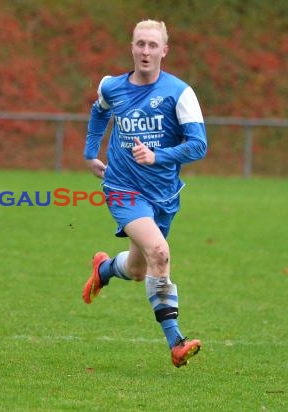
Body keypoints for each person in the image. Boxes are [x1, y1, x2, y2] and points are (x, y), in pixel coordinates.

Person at [82, 20, 207, 368]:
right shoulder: (112, 86)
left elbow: (199, 145)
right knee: (159, 253)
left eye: (153, 45)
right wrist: (91, 153)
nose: (146, 51)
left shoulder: (180, 93)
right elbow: (98, 113)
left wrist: (158, 156)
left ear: (164, 50)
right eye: (140, 44)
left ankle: (105, 269)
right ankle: (176, 342)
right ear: (132, 47)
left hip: (163, 194)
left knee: (139, 269)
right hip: (122, 189)